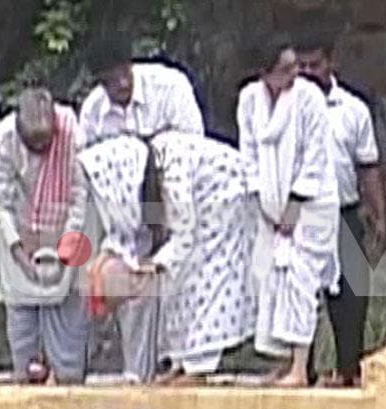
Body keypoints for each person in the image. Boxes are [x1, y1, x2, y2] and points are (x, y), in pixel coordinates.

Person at [78, 131, 255, 385]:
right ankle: (181, 362)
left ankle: (199, 367)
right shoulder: (152, 174)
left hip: (225, 199)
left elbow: (185, 237)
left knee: (204, 279)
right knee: (175, 283)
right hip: (201, 214)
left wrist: (155, 264)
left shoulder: (172, 178)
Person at [79, 34, 205, 384]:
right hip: (127, 217)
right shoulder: (94, 111)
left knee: (177, 286)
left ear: (131, 66)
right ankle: (138, 375)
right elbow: (88, 169)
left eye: (123, 74)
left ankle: (182, 367)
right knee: (133, 288)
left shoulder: (170, 87)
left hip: (176, 203)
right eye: (109, 80)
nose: (119, 84)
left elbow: (194, 151)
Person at [237, 35, 340, 387]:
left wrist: (294, 206)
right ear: (264, 73)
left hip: (312, 205)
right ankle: (281, 361)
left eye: (295, 65)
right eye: (285, 69)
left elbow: (315, 156)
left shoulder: (309, 98)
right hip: (269, 204)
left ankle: (300, 366)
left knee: (300, 279)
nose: (295, 73)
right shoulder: (249, 100)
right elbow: (248, 154)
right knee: (269, 280)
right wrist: (266, 206)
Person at [295, 35, 385, 388]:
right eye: (300, 66)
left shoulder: (353, 109)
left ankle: (350, 370)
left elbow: (368, 166)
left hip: (345, 213)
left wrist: (379, 215)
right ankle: (303, 370)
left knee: (350, 297)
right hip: (302, 214)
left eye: (314, 65)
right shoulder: (288, 109)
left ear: (331, 62)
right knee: (300, 297)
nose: (306, 73)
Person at [0, 88, 91, 384]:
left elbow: (79, 195)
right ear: (20, 132)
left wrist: (66, 247)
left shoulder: (72, 133)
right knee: (23, 339)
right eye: (34, 144)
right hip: (18, 235)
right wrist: (19, 252)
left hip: (66, 231)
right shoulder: (3, 139)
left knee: (69, 339)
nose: (42, 149)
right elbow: (2, 203)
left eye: (47, 142)